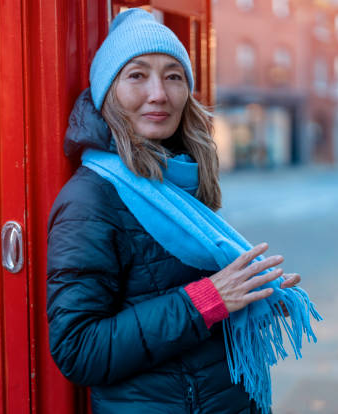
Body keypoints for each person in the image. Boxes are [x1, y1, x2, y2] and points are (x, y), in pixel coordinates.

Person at [47, 8, 320, 414]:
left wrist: (253, 292)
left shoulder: (178, 177)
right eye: (136, 75)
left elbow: (191, 297)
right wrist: (208, 299)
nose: (158, 93)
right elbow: (78, 348)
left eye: (173, 76)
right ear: (108, 92)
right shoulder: (90, 199)